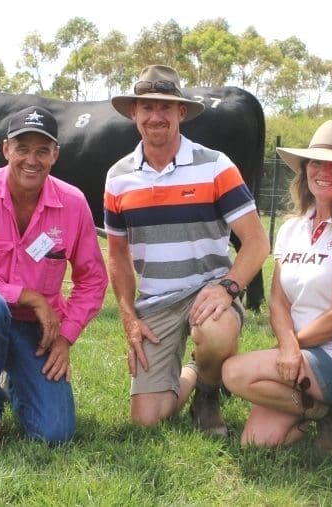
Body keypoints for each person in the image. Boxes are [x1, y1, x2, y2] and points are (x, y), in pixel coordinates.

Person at [104, 64, 270, 437]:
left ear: (181, 112)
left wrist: (228, 287)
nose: (155, 117)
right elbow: (116, 255)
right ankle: (195, 373)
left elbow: (257, 243)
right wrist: (129, 317)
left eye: (165, 107)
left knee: (214, 333)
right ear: (134, 113)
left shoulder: (216, 166)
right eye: (147, 107)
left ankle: (208, 395)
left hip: (206, 292)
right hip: (157, 302)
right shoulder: (118, 177)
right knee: (147, 419)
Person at [0, 105, 108, 452]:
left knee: (55, 433)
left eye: (42, 150)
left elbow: (93, 280)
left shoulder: (73, 203)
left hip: (37, 333)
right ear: (6, 149)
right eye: (22, 148)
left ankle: (14, 375)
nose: (31, 159)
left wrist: (65, 337)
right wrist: (30, 296)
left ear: (55, 155)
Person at [222, 121, 332, 455]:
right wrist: (287, 347)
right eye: (316, 162)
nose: (323, 171)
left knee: (234, 371)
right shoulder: (292, 227)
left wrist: (290, 347)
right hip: (295, 354)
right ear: (305, 169)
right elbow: (278, 299)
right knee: (256, 443)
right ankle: (327, 415)